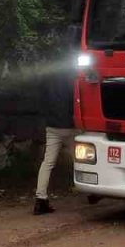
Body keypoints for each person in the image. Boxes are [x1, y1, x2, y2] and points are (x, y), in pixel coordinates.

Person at [34, 61, 78, 215]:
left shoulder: (46, 81)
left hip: (52, 126)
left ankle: (40, 199)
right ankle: (91, 190)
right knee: (80, 160)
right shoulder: (72, 79)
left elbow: (41, 102)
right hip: (71, 127)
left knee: (48, 162)